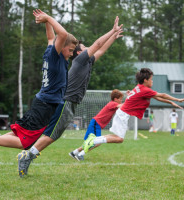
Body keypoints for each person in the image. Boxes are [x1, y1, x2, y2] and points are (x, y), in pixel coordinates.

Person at [16, 16, 124, 177]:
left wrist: (113, 36)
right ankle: (28, 155)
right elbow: (98, 44)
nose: (89, 48)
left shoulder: (88, 62)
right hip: (65, 102)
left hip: (70, 103)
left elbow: (102, 49)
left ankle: (28, 153)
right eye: (85, 47)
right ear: (80, 52)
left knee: (54, 134)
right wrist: (112, 30)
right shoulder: (80, 60)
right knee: (53, 134)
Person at [0, 9, 78, 162]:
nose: (72, 54)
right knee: (25, 142)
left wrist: (47, 22)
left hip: (42, 103)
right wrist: (48, 18)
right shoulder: (55, 55)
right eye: (71, 50)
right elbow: (62, 35)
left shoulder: (50, 51)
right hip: (45, 105)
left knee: (19, 134)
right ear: (61, 46)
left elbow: (50, 37)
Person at [82, 68, 184, 154]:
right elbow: (162, 95)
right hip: (123, 114)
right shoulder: (144, 89)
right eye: (151, 79)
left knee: (118, 138)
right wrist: (178, 99)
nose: (152, 81)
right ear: (145, 80)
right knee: (119, 139)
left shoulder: (140, 88)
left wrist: (170, 103)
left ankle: (89, 143)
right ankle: (93, 141)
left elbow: (157, 97)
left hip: (122, 114)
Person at [69, 89, 127, 161]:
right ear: (115, 99)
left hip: (96, 123)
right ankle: (80, 155)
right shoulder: (113, 103)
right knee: (97, 142)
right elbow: (123, 106)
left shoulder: (113, 104)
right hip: (96, 123)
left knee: (91, 141)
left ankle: (74, 152)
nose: (121, 100)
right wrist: (131, 98)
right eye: (120, 99)